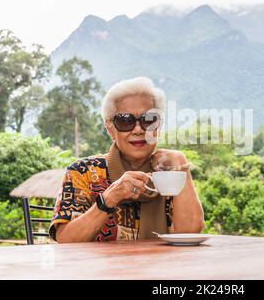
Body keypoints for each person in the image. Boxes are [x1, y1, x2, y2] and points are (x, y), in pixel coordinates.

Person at [49, 77, 205, 243]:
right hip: (102, 268)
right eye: (125, 120)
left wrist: (182, 166)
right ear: (110, 129)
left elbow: (189, 232)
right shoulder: (83, 171)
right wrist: (108, 199)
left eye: (149, 120)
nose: (138, 129)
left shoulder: (169, 172)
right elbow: (65, 239)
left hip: (161, 267)